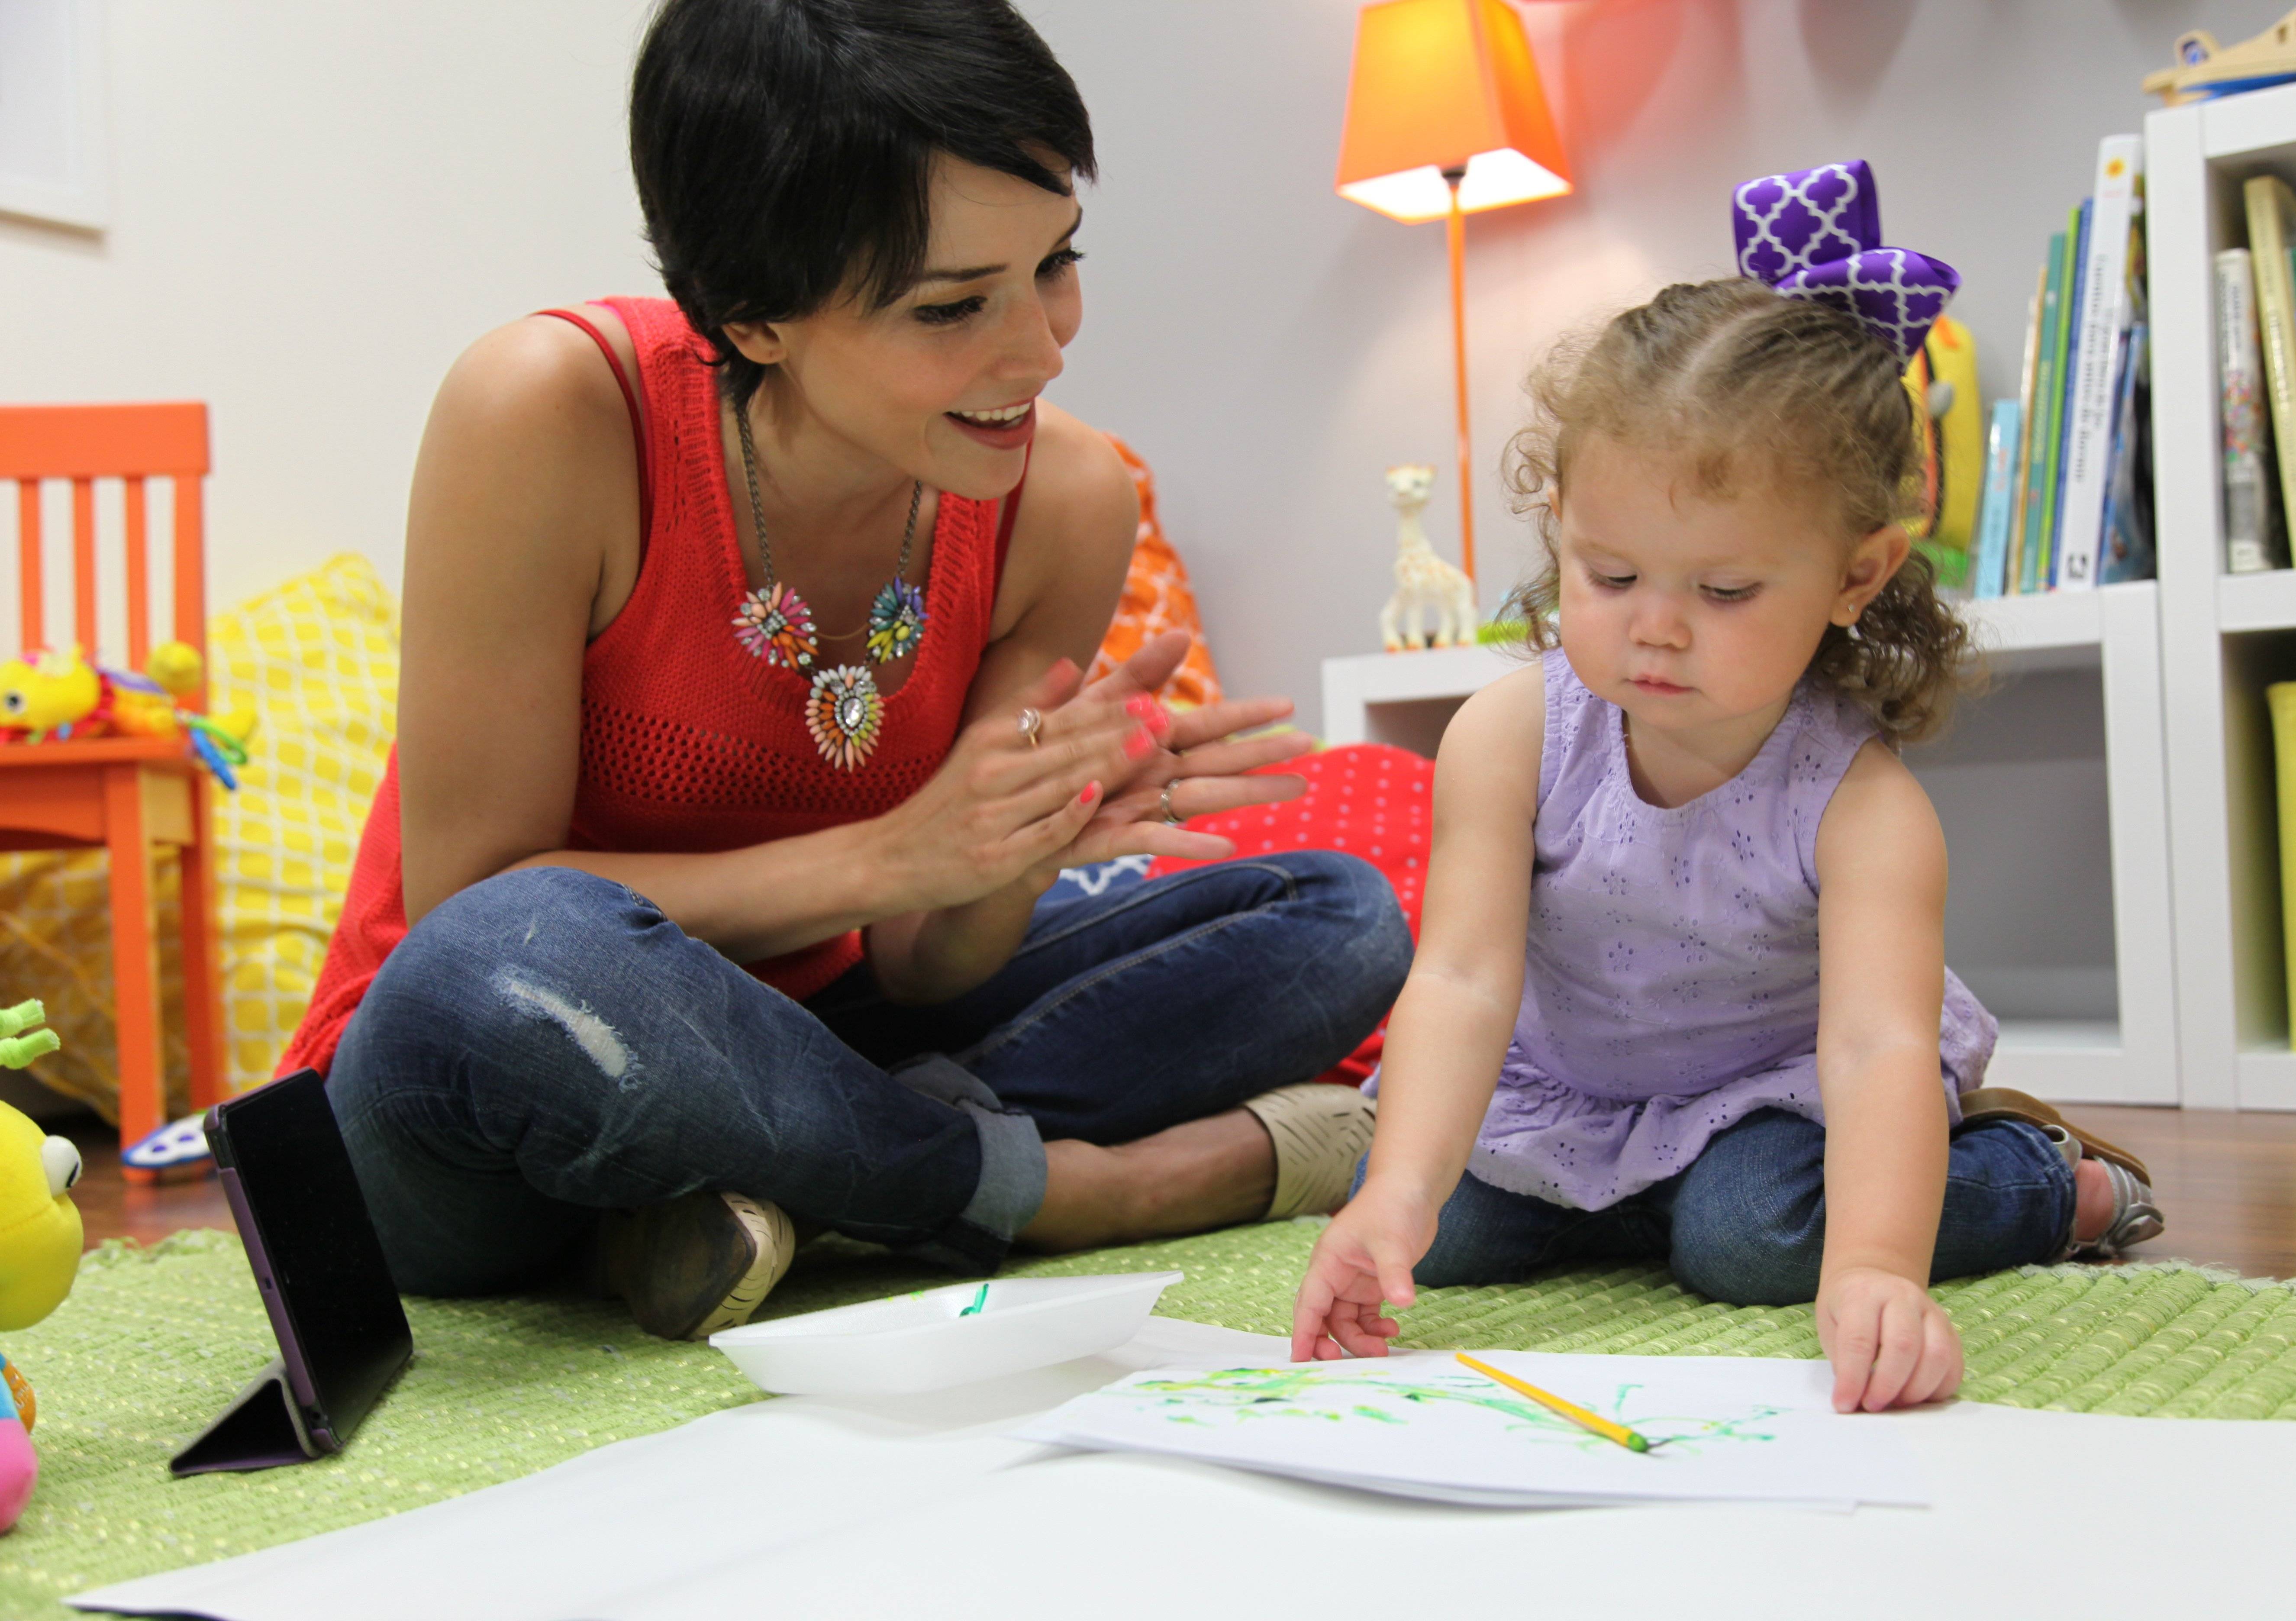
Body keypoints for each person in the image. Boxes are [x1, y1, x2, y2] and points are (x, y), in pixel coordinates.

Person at [290, 0, 1410, 1341]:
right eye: (953, 307)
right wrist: (889, 857)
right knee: (509, 953)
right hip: (492, 1066)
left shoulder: (1067, 500)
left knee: (1338, 915)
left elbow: (927, 965)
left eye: (1056, 264)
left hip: (831, 1032)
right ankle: (1060, 1191)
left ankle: (770, 1196)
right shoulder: (548, 412)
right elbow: (467, 899)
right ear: (753, 318)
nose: (1042, 349)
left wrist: (1010, 849)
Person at [1290, 216, 2164, 1410]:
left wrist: (1875, 1272)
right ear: (1559, 524)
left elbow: (1875, 1050)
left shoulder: (1861, 804)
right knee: (1430, 1233)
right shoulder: (1509, 735)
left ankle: (2044, 1180)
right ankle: (1621, 1208)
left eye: (1725, 590)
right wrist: (1395, 1194)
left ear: (1856, 575)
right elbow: (1462, 982)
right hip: (1563, 1093)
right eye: (1610, 574)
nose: (1655, 626)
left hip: (1771, 1102)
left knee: (1750, 1239)